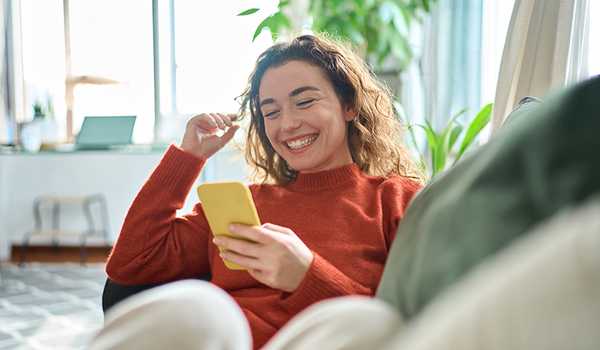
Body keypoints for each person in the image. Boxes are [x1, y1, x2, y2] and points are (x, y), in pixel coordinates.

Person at [91, 34, 422, 349]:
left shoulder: (397, 200)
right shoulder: (242, 206)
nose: (288, 124)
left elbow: (404, 325)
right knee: (200, 306)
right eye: (271, 112)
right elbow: (130, 266)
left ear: (348, 105)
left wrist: (307, 275)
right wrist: (188, 157)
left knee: (373, 321)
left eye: (304, 101)